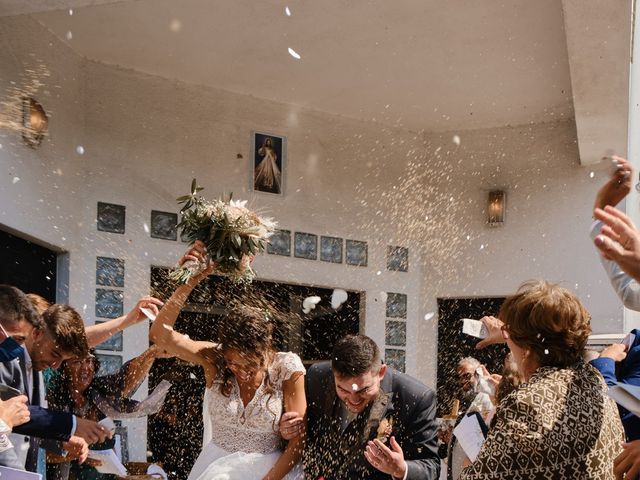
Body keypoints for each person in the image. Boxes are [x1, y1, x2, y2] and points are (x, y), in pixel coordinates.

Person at [149, 241, 306, 480]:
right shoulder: (215, 359)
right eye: (234, 364)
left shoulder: (287, 368)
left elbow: (299, 440)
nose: (241, 371)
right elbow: (160, 335)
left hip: (272, 473)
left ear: (266, 348)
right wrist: (190, 281)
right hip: (216, 470)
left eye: (251, 364)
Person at [461, 281, 624, 479]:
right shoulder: (593, 380)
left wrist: (467, 466)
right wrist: (511, 334)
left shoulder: (523, 406)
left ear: (527, 349)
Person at [298, 334, 440, 480]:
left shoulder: (416, 398)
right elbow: (305, 436)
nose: (353, 399)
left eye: (363, 390)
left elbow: (431, 467)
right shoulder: (317, 377)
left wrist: (401, 469)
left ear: (381, 372)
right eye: (343, 390)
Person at [46, 345, 167, 480]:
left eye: (88, 361)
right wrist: (82, 455)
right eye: (77, 362)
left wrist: (151, 354)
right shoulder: (55, 400)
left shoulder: (98, 394)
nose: (85, 367)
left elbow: (126, 379)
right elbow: (44, 452)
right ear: (64, 368)